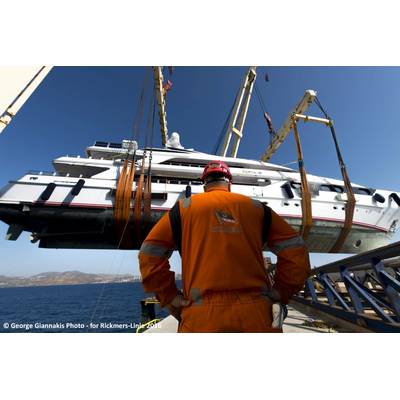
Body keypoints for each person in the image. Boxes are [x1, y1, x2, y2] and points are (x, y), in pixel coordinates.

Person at [139, 161, 310, 332]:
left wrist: (168, 296)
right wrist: (282, 291)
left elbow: (149, 253)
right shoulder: (257, 208)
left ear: (204, 184)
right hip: (257, 314)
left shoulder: (182, 209)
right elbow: (295, 249)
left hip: (200, 318)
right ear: (229, 183)